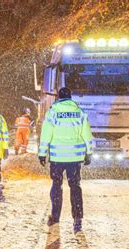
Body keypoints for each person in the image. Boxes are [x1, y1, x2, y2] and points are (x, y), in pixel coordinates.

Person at [38, 87, 93, 233]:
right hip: (75, 158)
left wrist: (42, 153)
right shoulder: (79, 113)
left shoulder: (52, 113)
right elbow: (87, 134)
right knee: (75, 186)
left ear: (58, 97)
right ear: (70, 97)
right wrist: (89, 153)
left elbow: (46, 135)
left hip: (57, 158)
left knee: (56, 185)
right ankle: (77, 219)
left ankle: (55, 216)